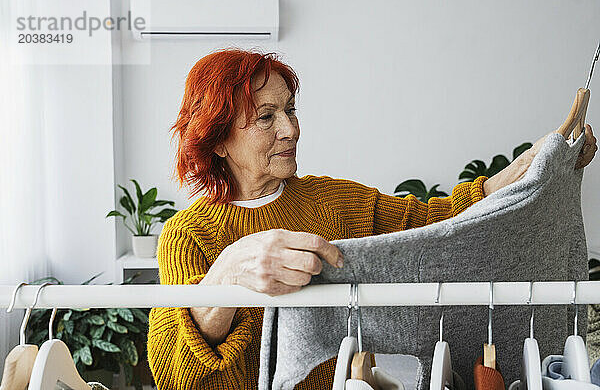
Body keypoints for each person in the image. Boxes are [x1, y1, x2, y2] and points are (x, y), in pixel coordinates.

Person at [146, 48, 597, 390]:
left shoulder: (335, 200)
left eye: (290, 110)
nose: (291, 128)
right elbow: (172, 375)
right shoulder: (188, 235)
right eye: (267, 117)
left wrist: (534, 165)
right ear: (218, 139)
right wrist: (229, 271)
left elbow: (437, 223)